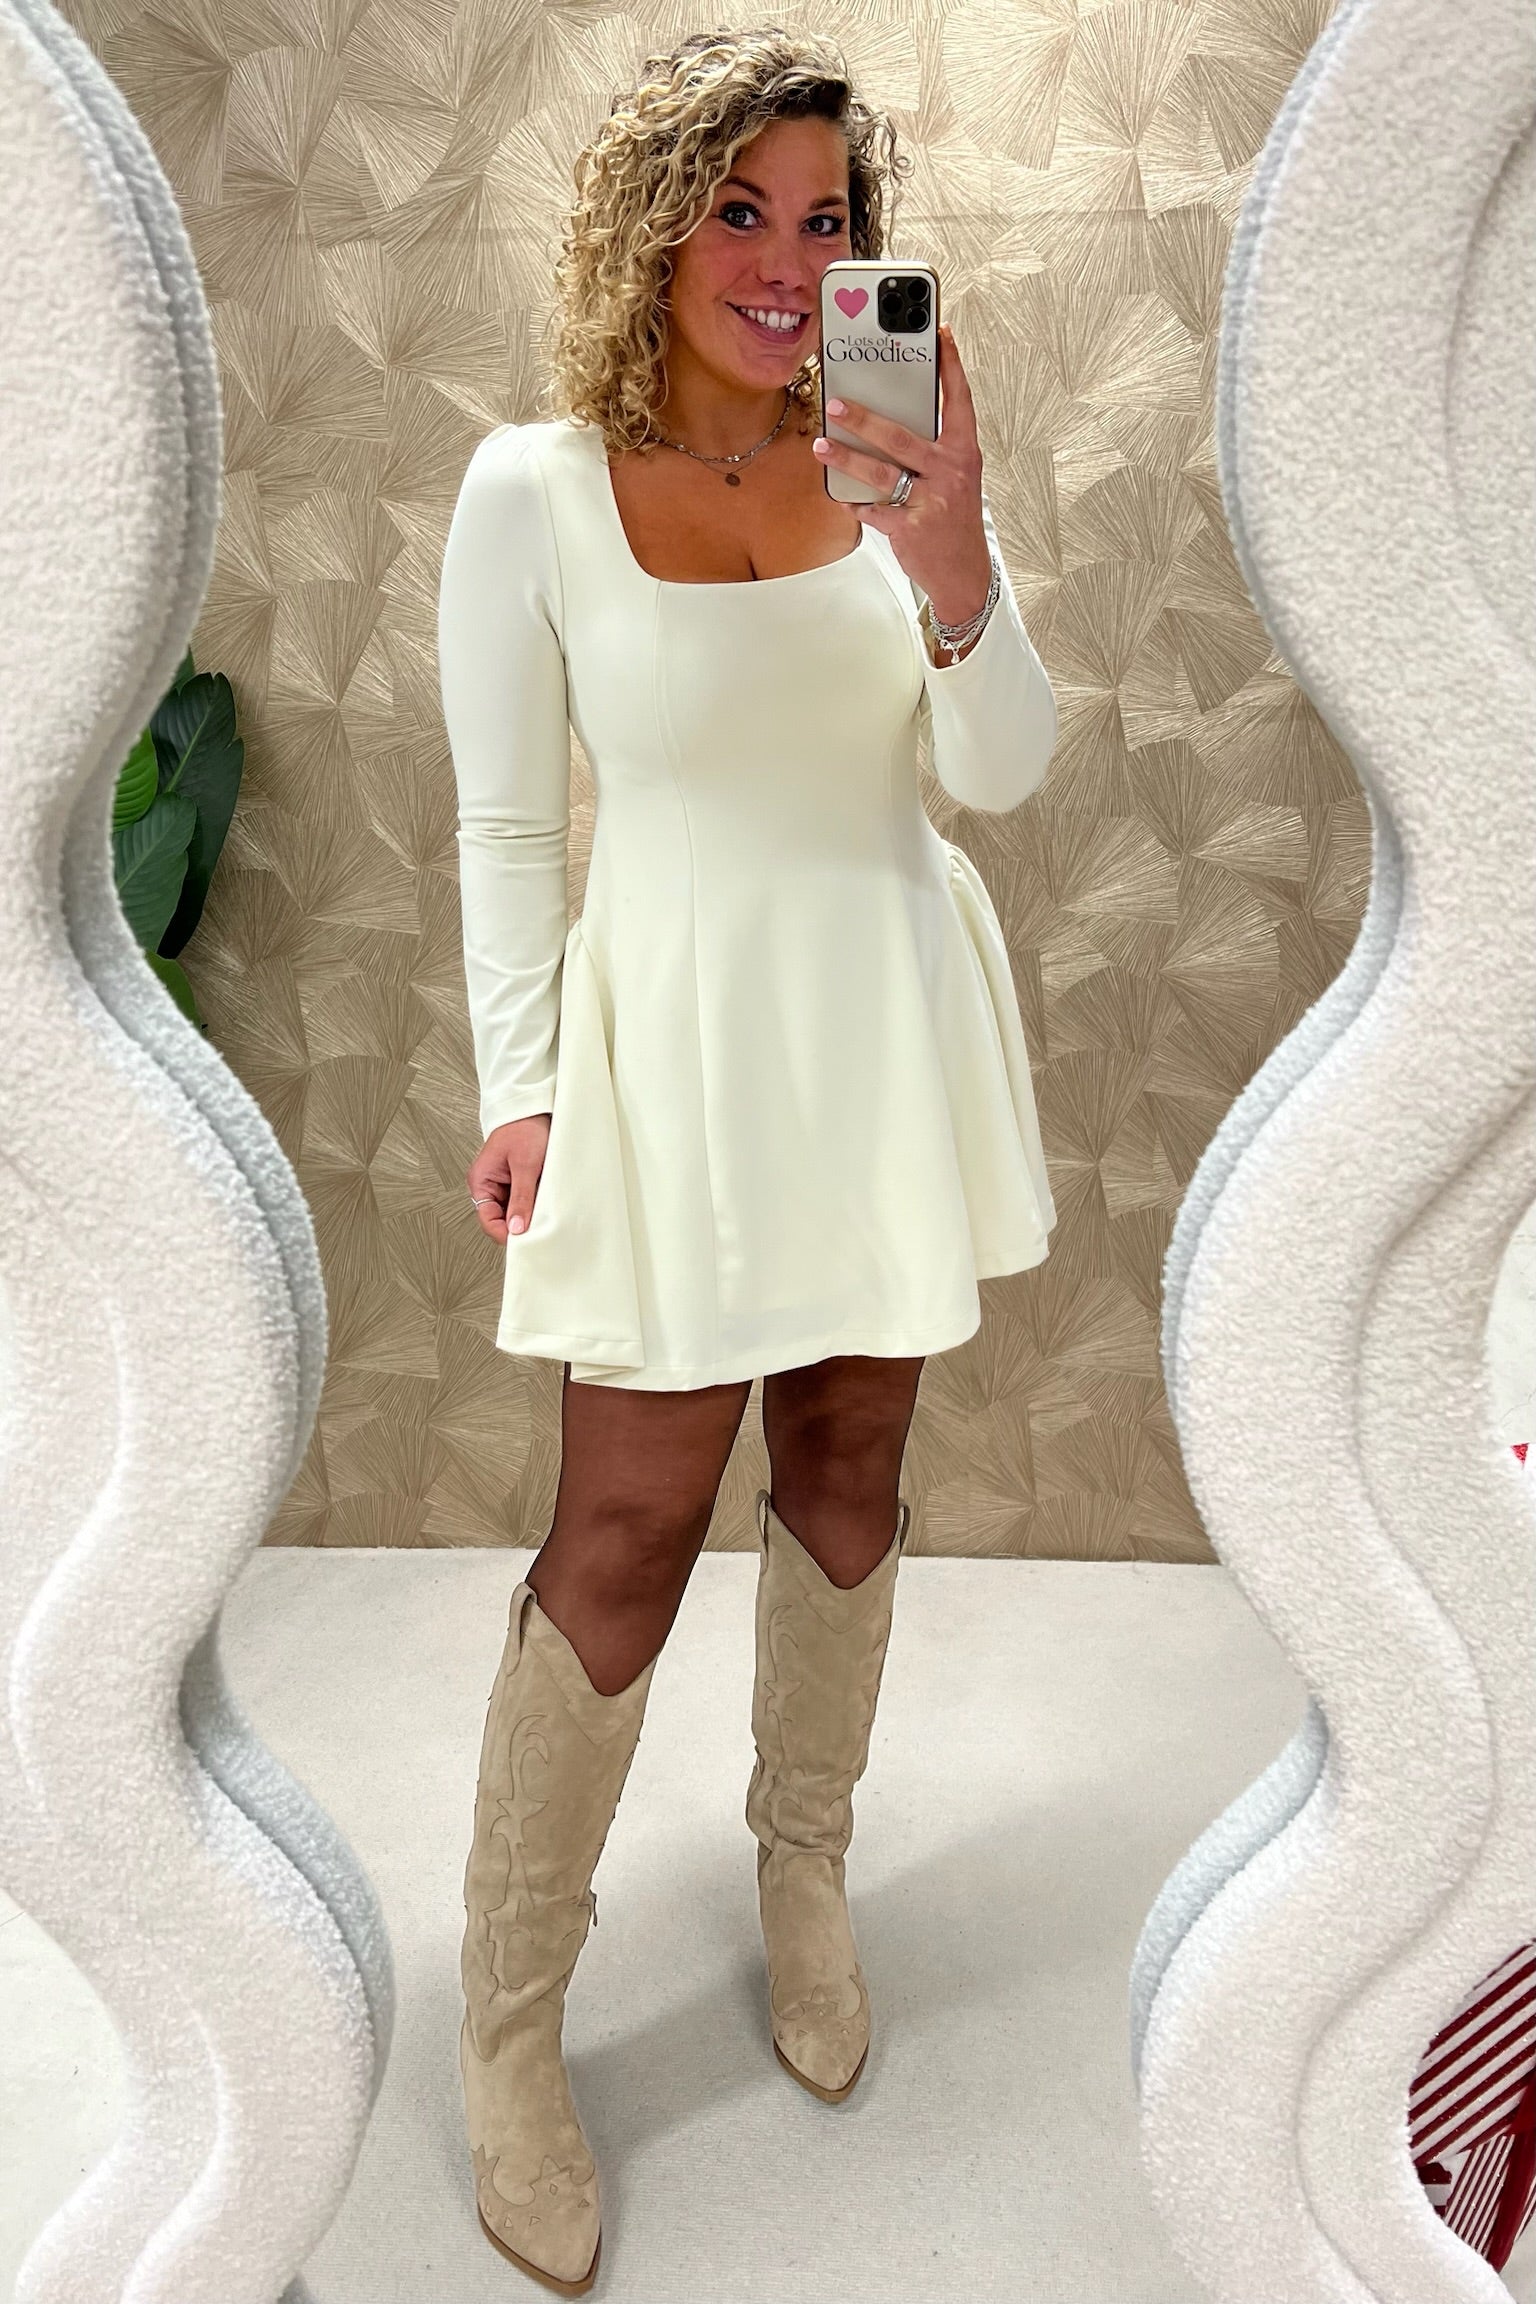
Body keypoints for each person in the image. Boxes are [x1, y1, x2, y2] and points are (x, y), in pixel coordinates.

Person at [436, 25, 1058, 2294]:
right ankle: (512, 2022)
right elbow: (513, 826)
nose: (788, 261)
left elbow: (1000, 766)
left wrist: (955, 556)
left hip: (877, 1024)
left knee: (852, 1458)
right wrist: (520, 1087)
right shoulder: (532, 488)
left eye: (826, 221)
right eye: (740, 210)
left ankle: (806, 1865)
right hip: (671, 1051)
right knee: (622, 1519)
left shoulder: (891, 461)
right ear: (655, 227)